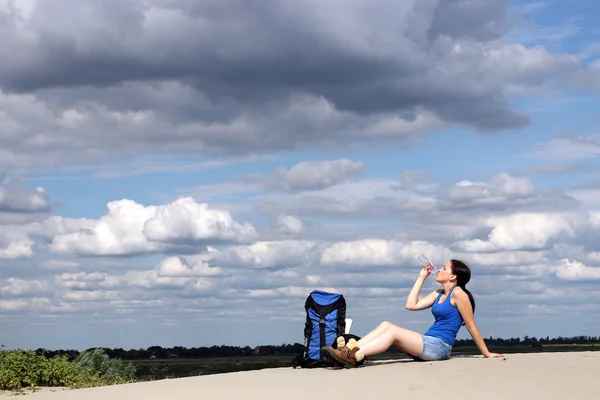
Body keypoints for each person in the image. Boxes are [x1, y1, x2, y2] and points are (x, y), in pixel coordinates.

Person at [324, 259, 505, 367]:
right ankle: (349, 352)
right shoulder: (438, 294)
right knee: (386, 325)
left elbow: (471, 325)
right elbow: (411, 305)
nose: (439, 270)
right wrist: (421, 277)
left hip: (439, 347)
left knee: (393, 332)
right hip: (427, 343)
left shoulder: (458, 293)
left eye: (444, 268)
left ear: (453, 276)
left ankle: (354, 356)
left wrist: (487, 354)